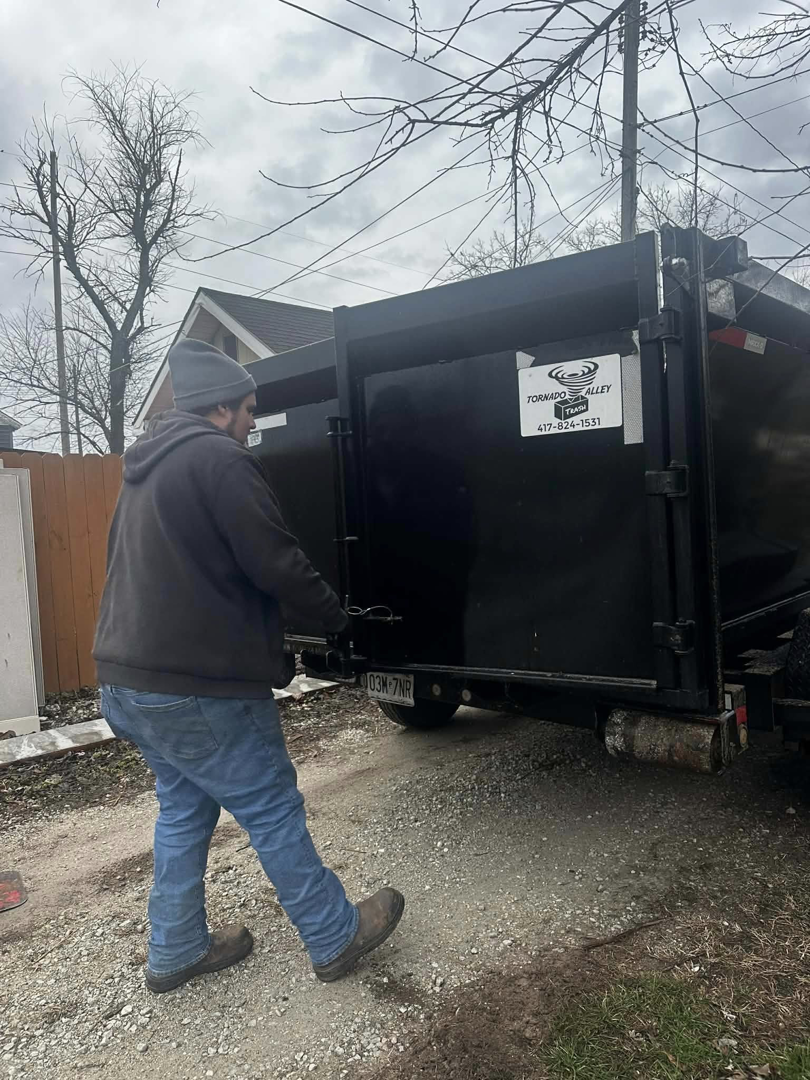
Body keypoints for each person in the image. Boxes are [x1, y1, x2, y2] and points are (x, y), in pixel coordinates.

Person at [93, 338, 404, 994]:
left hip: (126, 680)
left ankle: (175, 949)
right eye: (250, 410)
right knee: (270, 803)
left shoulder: (145, 467)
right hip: (197, 686)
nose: (253, 423)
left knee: (183, 809)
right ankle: (334, 934)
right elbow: (276, 561)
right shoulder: (219, 459)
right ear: (221, 408)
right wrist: (340, 619)